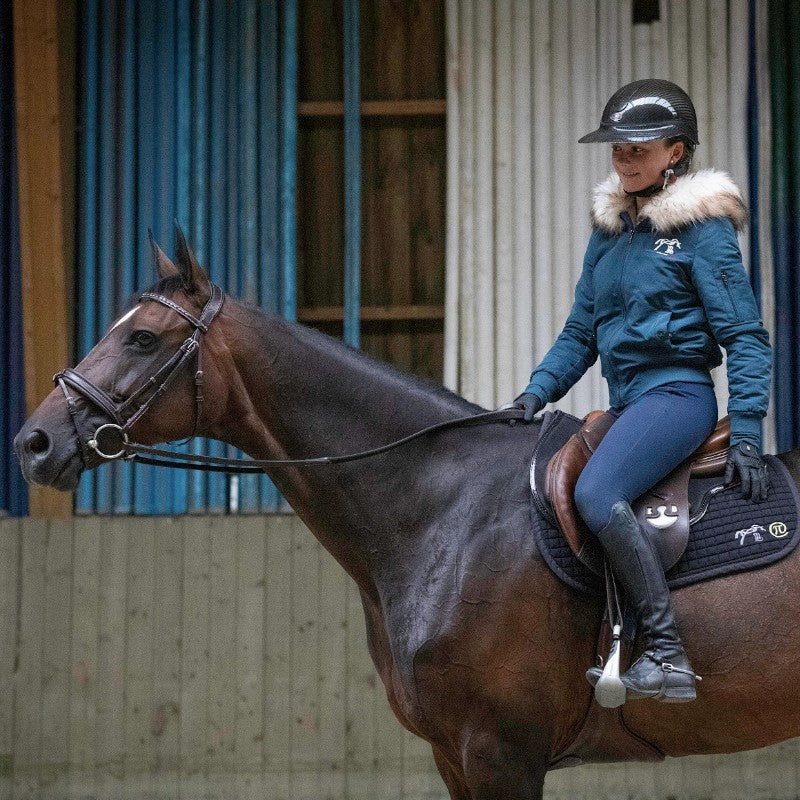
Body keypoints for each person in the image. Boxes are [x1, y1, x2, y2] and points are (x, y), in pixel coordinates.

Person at [511, 79, 771, 703]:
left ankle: (667, 651)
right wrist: (534, 394)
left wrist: (750, 433)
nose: (622, 158)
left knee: (598, 492)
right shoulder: (609, 234)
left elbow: (746, 336)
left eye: (637, 147)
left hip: (679, 396)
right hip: (627, 400)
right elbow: (581, 331)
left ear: (675, 151)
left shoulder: (703, 231)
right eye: (616, 149)